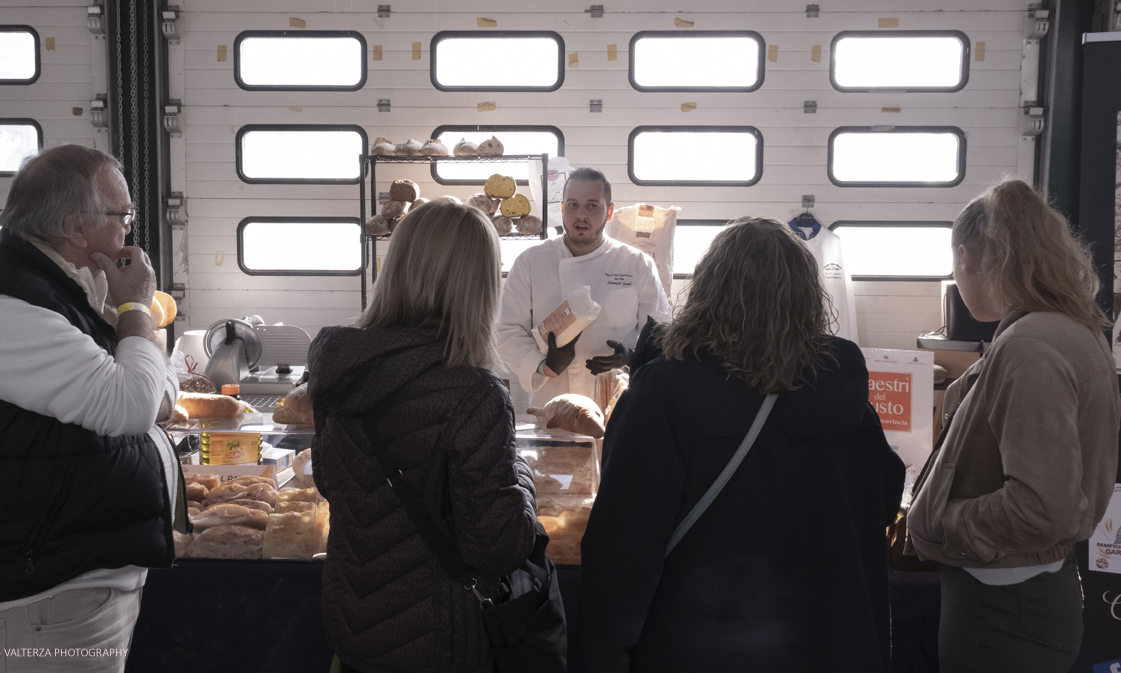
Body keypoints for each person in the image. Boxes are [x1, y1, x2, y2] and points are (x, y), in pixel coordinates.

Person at [573, 217, 905, 673]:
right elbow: (881, 508)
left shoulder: (667, 395)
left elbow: (622, 552)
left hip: (698, 646)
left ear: (708, 291)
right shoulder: (847, 400)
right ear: (807, 300)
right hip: (828, 647)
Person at [0, 145, 184, 672]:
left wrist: (125, 317)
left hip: (67, 588)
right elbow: (135, 404)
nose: (129, 231)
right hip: (36, 601)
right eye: (122, 216)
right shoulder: (1, 308)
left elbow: (158, 394)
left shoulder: (57, 291)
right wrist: (135, 308)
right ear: (75, 227)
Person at [308, 198, 539, 673]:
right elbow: (498, 546)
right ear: (478, 288)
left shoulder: (342, 369)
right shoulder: (474, 393)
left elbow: (332, 482)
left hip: (353, 630)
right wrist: (522, 472)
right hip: (439, 643)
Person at [907, 179, 1121, 673]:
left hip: (1002, 608)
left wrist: (941, 521)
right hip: (1027, 594)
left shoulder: (1029, 346)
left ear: (966, 255)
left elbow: (1040, 507)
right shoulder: (1074, 329)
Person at [498, 167, 671, 403]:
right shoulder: (531, 262)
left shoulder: (637, 265)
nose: (581, 215)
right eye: (572, 205)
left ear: (609, 212)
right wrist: (543, 366)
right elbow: (507, 330)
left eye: (592, 205)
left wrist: (631, 357)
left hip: (617, 400)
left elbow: (661, 334)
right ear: (562, 209)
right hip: (551, 400)